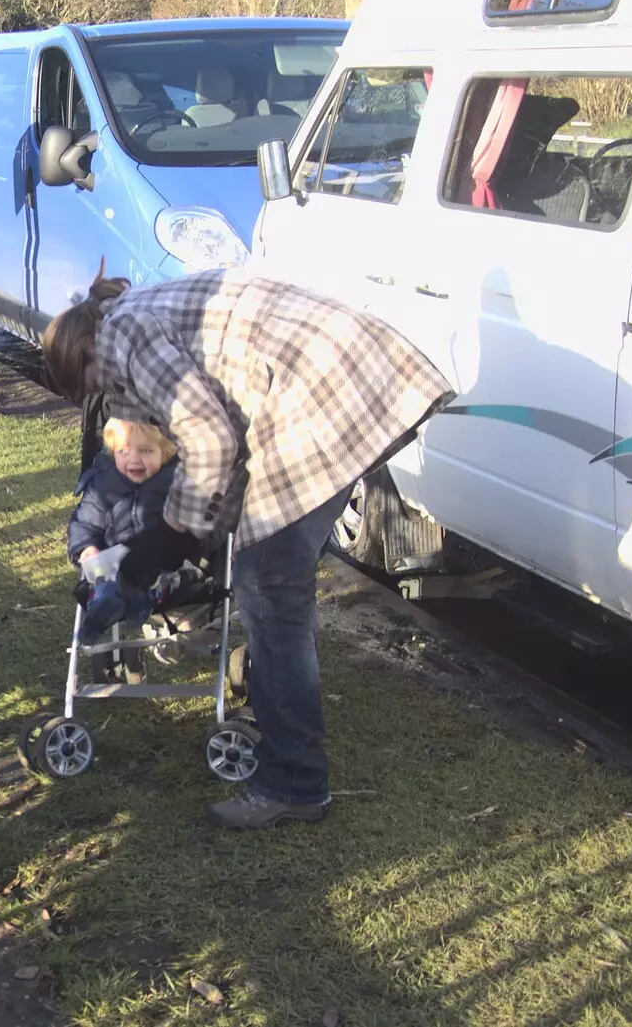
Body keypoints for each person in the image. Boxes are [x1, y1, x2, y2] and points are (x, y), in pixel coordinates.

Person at [42, 269, 454, 829]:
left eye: (93, 386)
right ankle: (284, 728)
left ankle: (295, 782)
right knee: (276, 578)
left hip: (321, 396)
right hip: (338, 378)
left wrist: (160, 545)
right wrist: (183, 536)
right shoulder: (137, 311)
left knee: (268, 585)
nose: (108, 398)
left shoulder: (122, 335)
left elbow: (208, 437)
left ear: (84, 356)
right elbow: (226, 446)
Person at [67, 418, 182, 639]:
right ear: (112, 452)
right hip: (113, 562)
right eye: (124, 451)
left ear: (166, 452)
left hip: (162, 568)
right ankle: (102, 610)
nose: (134, 460)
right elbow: (85, 523)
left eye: (146, 451)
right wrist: (87, 548)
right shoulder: (103, 484)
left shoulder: (177, 484)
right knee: (104, 582)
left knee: (150, 574)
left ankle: (132, 599)